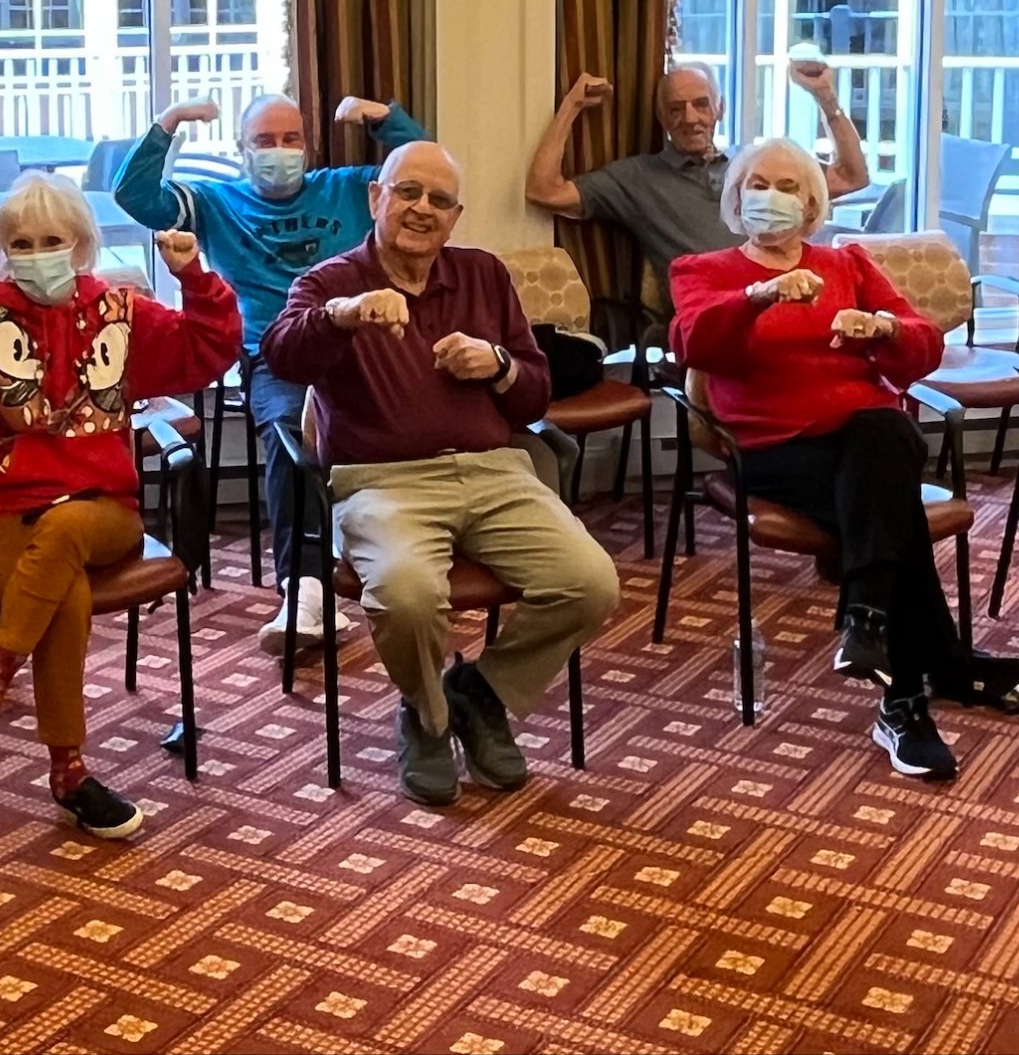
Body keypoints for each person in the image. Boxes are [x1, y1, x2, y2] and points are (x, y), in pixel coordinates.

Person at [0, 173, 240, 838]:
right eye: (23, 242)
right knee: (60, 596)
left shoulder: (120, 313)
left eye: (53, 240)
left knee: (66, 529)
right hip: (2, 512)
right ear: (5, 251)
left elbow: (207, 351)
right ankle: (68, 773)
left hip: (102, 512)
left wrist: (195, 277)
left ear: (83, 245)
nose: (39, 253)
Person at [670, 138, 1019, 782]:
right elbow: (693, 341)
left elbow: (924, 344)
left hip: (865, 443)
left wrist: (884, 330)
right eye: (758, 185)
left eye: (789, 187)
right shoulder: (702, 270)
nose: (773, 198)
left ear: (813, 202)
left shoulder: (847, 262)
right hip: (773, 449)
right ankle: (923, 667)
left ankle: (885, 658)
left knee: (883, 431)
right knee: (890, 490)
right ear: (736, 199)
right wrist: (760, 297)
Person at [263, 142, 620, 805]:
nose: (422, 209)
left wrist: (501, 366)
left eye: (439, 200)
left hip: (494, 473)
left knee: (590, 583)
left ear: (456, 217)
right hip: (383, 481)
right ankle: (426, 718)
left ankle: (478, 694)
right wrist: (344, 317)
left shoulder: (483, 276)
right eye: (408, 192)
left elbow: (535, 393)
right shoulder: (331, 281)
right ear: (377, 199)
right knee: (407, 595)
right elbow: (280, 355)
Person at [114, 92, 429, 658]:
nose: (279, 151)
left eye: (291, 140)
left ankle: (405, 559)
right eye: (264, 141)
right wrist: (170, 124)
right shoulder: (215, 201)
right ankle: (306, 589)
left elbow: (421, 171)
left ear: (307, 147)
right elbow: (134, 196)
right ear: (241, 150)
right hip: (275, 354)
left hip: (361, 343)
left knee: (412, 420)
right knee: (287, 433)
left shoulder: (348, 188)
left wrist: (382, 120)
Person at [524, 61, 872, 325]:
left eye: (701, 104)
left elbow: (852, 176)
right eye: (676, 109)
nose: (690, 118)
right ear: (663, 118)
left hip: (792, 297)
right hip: (716, 316)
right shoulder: (638, 178)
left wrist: (827, 99)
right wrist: (572, 107)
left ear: (719, 109)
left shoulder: (755, 165)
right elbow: (544, 191)